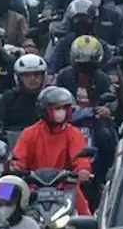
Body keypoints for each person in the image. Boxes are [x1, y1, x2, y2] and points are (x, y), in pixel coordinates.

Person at [10, 86, 94, 216]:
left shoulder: (74, 134)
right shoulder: (29, 133)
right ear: (44, 110)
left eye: (64, 108)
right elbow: (19, 158)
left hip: (65, 186)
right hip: (33, 187)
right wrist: (14, 169)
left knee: (85, 217)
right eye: (56, 108)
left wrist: (83, 170)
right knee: (8, 208)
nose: (61, 112)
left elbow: (80, 157)